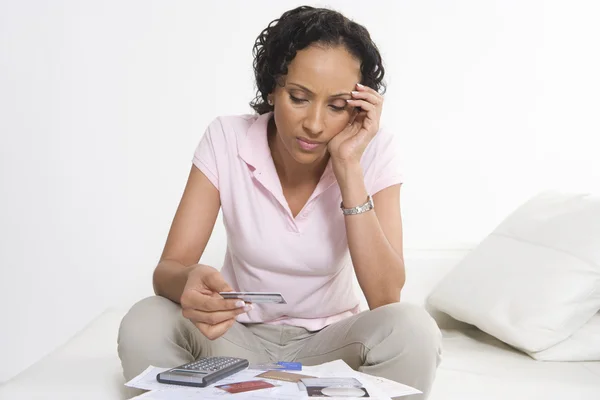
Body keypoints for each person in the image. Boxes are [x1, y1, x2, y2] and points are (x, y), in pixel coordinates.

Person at [117, 5, 442, 399]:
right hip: (232, 339)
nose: (315, 124)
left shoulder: (373, 150)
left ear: (357, 106)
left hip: (333, 347)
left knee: (413, 330)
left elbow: (386, 296)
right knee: (145, 321)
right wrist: (188, 282)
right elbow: (166, 271)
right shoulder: (227, 138)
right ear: (273, 88)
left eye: (337, 106)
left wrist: (348, 166)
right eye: (299, 97)